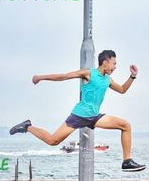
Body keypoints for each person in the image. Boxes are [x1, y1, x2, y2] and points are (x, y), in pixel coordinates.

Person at [10, 50, 146, 172]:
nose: (115, 67)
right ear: (105, 62)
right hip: (79, 115)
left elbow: (122, 90)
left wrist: (132, 76)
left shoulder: (108, 80)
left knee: (125, 125)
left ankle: (127, 162)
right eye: (114, 64)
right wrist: (41, 77)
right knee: (53, 141)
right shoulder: (88, 73)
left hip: (94, 117)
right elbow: (64, 76)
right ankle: (27, 127)